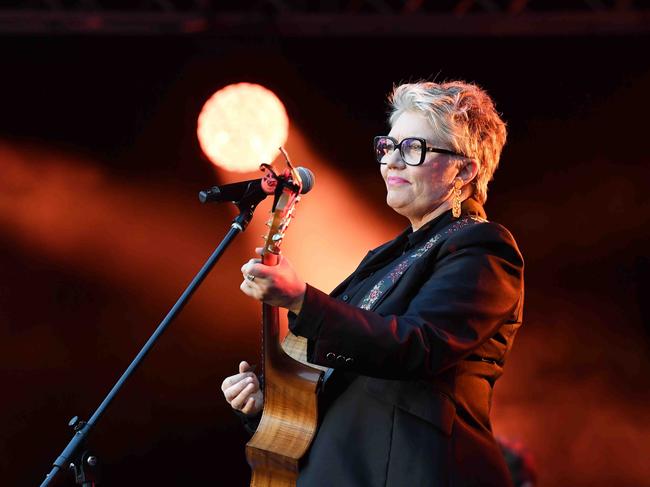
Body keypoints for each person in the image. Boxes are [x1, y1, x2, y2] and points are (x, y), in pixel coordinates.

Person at [221, 80, 524, 486]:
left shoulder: (483, 247)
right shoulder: (383, 258)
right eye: (388, 146)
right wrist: (270, 407)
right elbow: (336, 378)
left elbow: (418, 346)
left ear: (464, 169)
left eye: (413, 148)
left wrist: (301, 300)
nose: (391, 162)